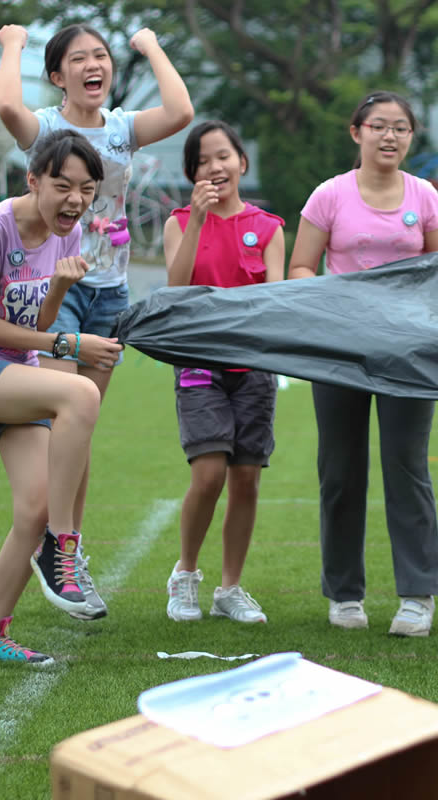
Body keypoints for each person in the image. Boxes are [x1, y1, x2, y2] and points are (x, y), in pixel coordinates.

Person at [0, 22, 193, 621]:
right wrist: (13, 45)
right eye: (79, 58)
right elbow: (6, 106)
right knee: (64, 417)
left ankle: (68, 548)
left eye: (100, 56)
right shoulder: (46, 129)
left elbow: (181, 111)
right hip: (56, 286)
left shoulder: (122, 128)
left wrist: (150, 46)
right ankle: (58, 546)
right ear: (58, 76)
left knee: (80, 426)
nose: (93, 65)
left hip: (109, 292)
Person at [0, 129, 122, 664]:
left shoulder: (68, 233)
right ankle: (63, 546)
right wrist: (70, 343)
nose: (76, 200)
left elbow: (34, 321)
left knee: (34, 507)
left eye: (87, 189)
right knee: (81, 394)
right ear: (33, 180)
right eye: (63, 185)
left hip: (13, 370)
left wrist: (59, 286)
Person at [288, 90, 438, 637]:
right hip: (341, 350)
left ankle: (417, 596)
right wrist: (340, 303)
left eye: (400, 127)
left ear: (411, 137)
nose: (390, 136)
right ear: (356, 132)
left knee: (408, 467)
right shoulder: (330, 195)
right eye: (379, 125)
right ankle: (344, 594)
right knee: (340, 470)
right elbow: (301, 267)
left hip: (410, 351)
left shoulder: (424, 195)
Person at [161, 121, 284, 624]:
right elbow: (175, 288)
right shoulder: (178, 222)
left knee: (246, 479)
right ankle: (185, 574)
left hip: (253, 367)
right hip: (199, 363)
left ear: (242, 162)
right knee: (209, 473)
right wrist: (196, 221)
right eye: (203, 161)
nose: (215, 168)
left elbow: (276, 299)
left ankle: (229, 588)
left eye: (223, 156)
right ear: (191, 173)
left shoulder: (269, 227)